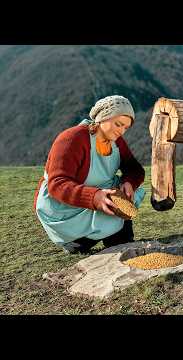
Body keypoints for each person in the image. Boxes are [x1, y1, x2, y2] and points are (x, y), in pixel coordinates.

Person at [33, 95, 146, 254]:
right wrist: (94, 197)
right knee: (82, 246)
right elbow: (57, 184)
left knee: (122, 242)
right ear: (102, 118)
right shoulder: (72, 139)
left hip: (101, 195)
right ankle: (76, 241)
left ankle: (112, 234)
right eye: (118, 124)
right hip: (65, 206)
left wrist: (129, 182)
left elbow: (134, 168)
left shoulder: (116, 141)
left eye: (125, 128)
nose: (121, 131)